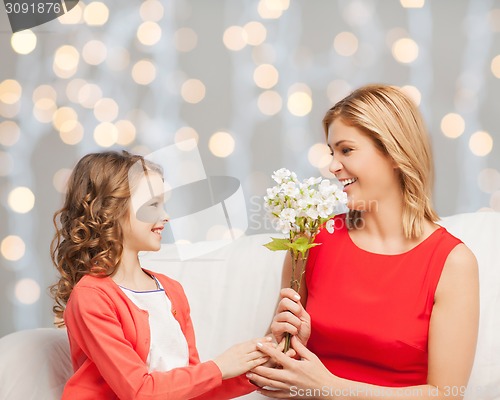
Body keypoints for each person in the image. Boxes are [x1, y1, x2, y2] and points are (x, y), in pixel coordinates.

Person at [247, 84, 479, 399]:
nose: (332, 166)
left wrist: (325, 388)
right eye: (332, 152)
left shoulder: (452, 262)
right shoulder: (311, 239)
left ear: (395, 153)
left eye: (346, 150)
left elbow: (446, 394)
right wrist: (288, 346)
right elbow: (271, 380)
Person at [50, 151, 271, 400]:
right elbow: (140, 391)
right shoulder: (92, 297)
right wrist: (220, 366)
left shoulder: (171, 290)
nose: (165, 216)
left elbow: (191, 388)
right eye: (152, 204)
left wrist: (258, 367)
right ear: (109, 210)